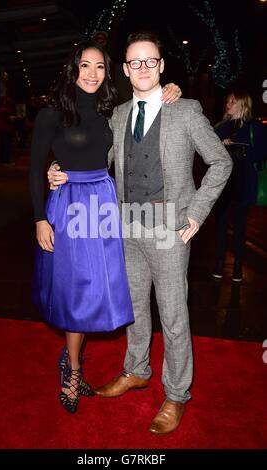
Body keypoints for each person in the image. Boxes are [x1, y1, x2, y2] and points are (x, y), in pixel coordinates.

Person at [48, 31, 233, 434]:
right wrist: (57, 169)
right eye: (135, 62)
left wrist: (197, 214)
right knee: (134, 310)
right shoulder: (115, 116)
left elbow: (221, 162)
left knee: (174, 317)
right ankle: (136, 369)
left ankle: (177, 394)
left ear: (162, 67)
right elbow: (94, 159)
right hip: (125, 228)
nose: (143, 67)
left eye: (151, 60)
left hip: (170, 231)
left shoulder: (185, 110)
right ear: (127, 70)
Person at [29, 39, 181, 415]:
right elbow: (35, 169)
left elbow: (144, 113)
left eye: (99, 67)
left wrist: (171, 89)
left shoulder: (110, 111)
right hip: (68, 208)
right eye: (85, 66)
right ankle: (74, 370)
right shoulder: (52, 115)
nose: (92, 74)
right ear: (73, 69)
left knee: (101, 286)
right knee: (74, 290)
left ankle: (80, 357)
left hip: (105, 205)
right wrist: (39, 218)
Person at [212, 89, 267, 282]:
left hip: (244, 183)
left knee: (240, 227)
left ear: (243, 104)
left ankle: (237, 266)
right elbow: (207, 154)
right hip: (223, 184)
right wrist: (221, 145)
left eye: (232, 101)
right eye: (227, 101)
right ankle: (219, 263)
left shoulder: (255, 127)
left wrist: (239, 150)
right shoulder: (221, 127)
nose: (228, 104)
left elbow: (261, 153)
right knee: (220, 226)